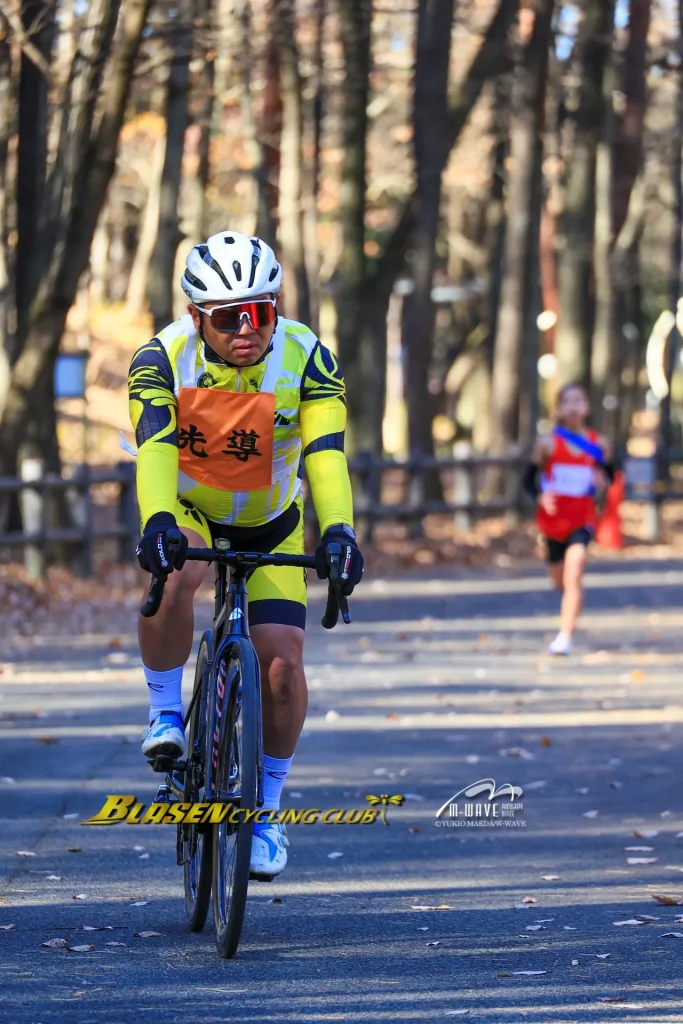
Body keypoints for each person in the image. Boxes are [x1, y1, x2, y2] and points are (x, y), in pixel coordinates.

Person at [127, 231, 364, 880]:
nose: (247, 329)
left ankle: (266, 812)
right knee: (177, 574)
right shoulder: (162, 358)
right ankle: (165, 712)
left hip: (272, 522)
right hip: (190, 508)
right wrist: (155, 522)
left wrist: (338, 530)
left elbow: (324, 453)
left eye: (261, 311)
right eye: (229, 317)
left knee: (281, 667)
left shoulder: (307, 357)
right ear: (196, 316)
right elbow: (153, 445)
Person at [524, 382, 613, 656]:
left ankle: (565, 636)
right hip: (552, 521)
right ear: (560, 408)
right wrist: (541, 495)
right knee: (558, 580)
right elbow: (528, 480)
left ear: (587, 407)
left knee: (574, 574)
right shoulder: (547, 444)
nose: (574, 407)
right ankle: (566, 603)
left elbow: (609, 478)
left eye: (579, 401)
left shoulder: (599, 444)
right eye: (568, 402)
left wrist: (603, 481)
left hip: (582, 518)